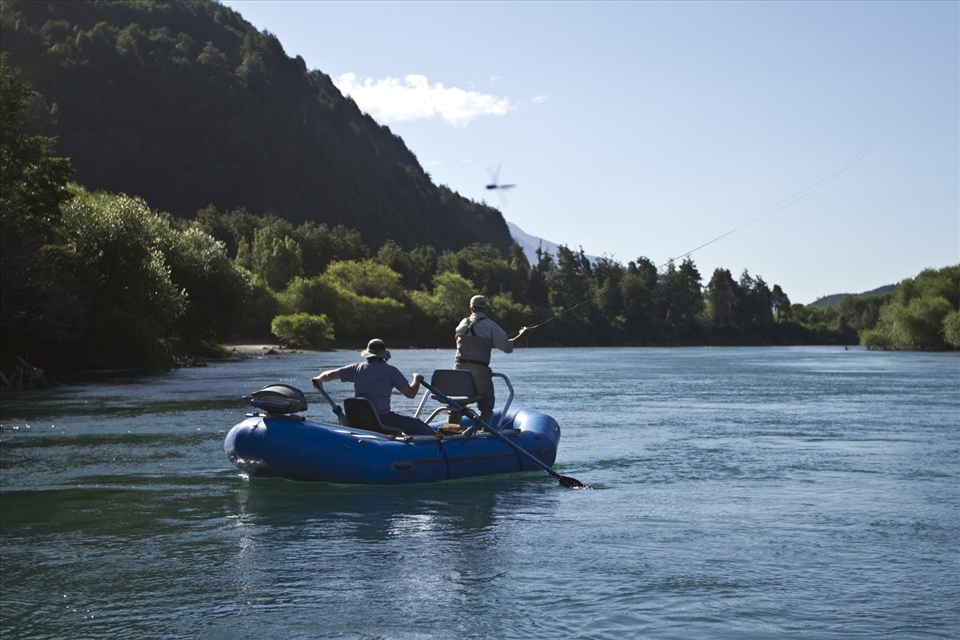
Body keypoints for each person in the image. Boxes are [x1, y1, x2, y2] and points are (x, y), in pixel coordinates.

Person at [312, 338, 433, 436]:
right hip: (382, 420)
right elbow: (410, 394)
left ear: (367, 354)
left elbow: (328, 375)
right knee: (416, 424)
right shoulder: (390, 371)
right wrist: (417, 379)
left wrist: (318, 379)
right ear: (384, 355)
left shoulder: (356, 368)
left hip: (358, 420)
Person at [453, 295, 529, 426]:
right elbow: (508, 347)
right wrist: (523, 334)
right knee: (486, 405)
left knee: (455, 403)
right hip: (480, 372)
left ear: (471, 308)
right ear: (486, 308)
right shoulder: (491, 326)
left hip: (459, 370)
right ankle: (483, 431)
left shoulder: (461, 324)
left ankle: (451, 428)